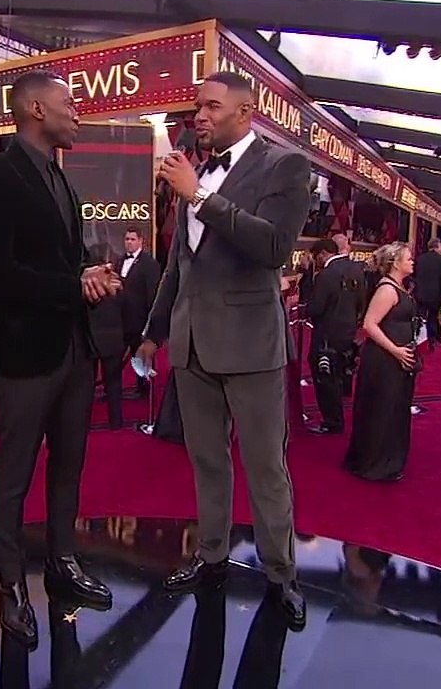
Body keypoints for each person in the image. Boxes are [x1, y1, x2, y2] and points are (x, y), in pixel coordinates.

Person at [136, 70, 310, 630]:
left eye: (211, 106)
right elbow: (178, 267)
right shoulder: (194, 169)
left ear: (245, 111)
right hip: (191, 345)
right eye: (196, 107)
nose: (199, 116)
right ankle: (211, 557)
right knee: (206, 462)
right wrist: (154, 329)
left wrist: (201, 196)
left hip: (252, 345)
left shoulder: (284, 165)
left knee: (265, 468)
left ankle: (282, 574)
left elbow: (273, 246)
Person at [0, 70, 120, 647]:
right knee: (14, 476)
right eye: (68, 104)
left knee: (69, 465)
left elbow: (65, 262)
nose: (77, 113)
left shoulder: (62, 179)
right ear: (35, 108)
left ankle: (62, 562)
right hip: (25, 356)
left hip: (74, 350)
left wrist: (89, 276)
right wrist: (70, 286)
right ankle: (11, 585)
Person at [344, 242, 417, 482]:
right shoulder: (387, 290)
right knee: (382, 409)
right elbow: (369, 324)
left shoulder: (398, 287)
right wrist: (395, 350)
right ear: (396, 262)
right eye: (408, 258)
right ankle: (373, 462)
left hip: (396, 359)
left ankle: (388, 459)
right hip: (383, 360)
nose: (412, 261)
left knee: (394, 408)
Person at [305, 238, 365, 435]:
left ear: (323, 253)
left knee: (325, 377)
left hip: (326, 335)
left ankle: (332, 421)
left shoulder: (326, 275)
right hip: (347, 331)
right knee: (339, 373)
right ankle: (336, 416)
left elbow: (316, 308)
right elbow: (361, 302)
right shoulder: (356, 269)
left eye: (317, 257)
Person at [88, 243, 127, 430]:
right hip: (113, 340)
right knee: (114, 383)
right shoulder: (117, 284)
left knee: (87, 387)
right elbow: (127, 310)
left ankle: (83, 422)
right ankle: (116, 422)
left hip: (93, 341)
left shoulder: (88, 286)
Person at [116, 227, 159, 395]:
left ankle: (144, 389)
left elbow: (152, 293)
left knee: (140, 356)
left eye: (132, 239)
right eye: (127, 239)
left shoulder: (149, 264)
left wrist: (150, 323)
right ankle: (114, 390)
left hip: (139, 319)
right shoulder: (119, 261)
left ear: (141, 241)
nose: (129, 243)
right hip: (120, 320)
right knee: (117, 357)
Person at [412, 238, 441, 351]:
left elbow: (414, 276)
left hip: (420, 293)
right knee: (433, 318)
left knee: (419, 317)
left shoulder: (420, 259)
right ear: (438, 246)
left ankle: (415, 338)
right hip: (436, 295)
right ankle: (432, 341)